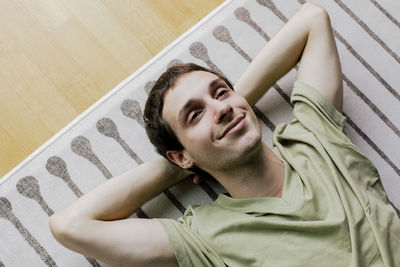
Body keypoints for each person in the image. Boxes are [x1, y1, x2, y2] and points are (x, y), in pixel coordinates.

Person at [48, 2, 400, 267]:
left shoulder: (313, 136)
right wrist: (186, 161)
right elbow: (69, 226)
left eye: (220, 91)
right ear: (179, 155)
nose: (222, 108)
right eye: (195, 114)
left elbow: (312, 19)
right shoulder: (207, 235)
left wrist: (229, 110)